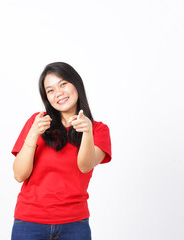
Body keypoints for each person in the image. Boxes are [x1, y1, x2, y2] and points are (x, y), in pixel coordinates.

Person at [11, 62, 112, 240]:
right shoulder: (37, 122)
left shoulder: (98, 130)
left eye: (63, 84)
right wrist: (33, 134)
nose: (58, 93)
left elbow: (85, 166)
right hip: (29, 222)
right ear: (46, 97)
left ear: (76, 84)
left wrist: (87, 132)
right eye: (50, 90)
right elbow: (19, 175)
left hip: (74, 223)